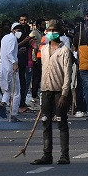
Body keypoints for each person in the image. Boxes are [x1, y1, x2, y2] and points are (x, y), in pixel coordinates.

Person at [30, 20, 73, 166]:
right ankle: (47, 154)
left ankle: (64, 155)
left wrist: (64, 94)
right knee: (45, 123)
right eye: (49, 30)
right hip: (46, 90)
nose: (51, 33)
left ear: (60, 32)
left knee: (61, 123)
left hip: (59, 91)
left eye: (54, 30)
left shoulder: (64, 51)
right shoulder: (43, 49)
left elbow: (68, 74)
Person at [0, 22, 23, 121]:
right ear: (12, 30)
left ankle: (3, 103)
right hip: (10, 68)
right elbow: (9, 53)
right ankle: (13, 114)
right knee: (16, 92)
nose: (19, 32)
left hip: (2, 67)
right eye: (17, 30)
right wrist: (14, 63)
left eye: (20, 30)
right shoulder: (13, 39)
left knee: (7, 90)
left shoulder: (5, 38)